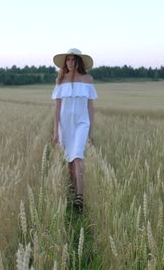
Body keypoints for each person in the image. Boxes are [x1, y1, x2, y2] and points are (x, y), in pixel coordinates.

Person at [51, 48, 98, 212]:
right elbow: (57, 109)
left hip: (81, 123)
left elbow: (91, 107)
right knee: (69, 160)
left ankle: (80, 196)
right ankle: (71, 191)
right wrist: (55, 131)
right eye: (68, 60)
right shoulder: (60, 81)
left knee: (78, 156)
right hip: (65, 124)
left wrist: (91, 131)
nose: (70, 62)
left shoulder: (87, 79)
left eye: (73, 59)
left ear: (79, 62)